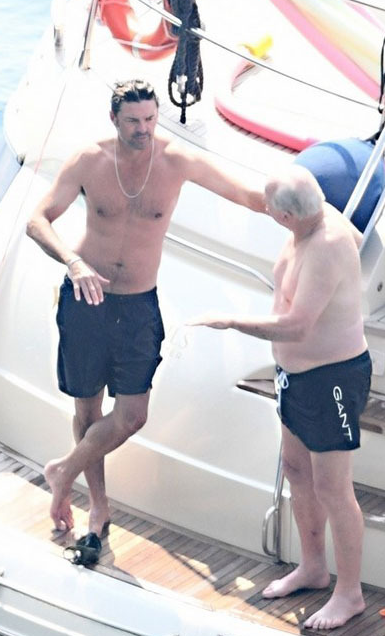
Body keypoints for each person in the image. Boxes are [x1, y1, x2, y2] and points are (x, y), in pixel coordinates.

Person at [26, 79, 265, 544]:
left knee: (132, 415)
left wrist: (316, 214)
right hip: (86, 298)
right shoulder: (89, 161)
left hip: (137, 304)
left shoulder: (177, 161)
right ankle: (98, 506)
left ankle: (62, 471)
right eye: (133, 121)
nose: (144, 129)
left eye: (151, 119)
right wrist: (74, 263)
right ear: (113, 119)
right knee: (87, 408)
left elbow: (249, 198)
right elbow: (38, 220)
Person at [191, 165, 371, 631]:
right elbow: (256, 197)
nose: (263, 209)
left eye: (268, 207)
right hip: (295, 377)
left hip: (332, 379)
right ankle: (313, 567)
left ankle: (349, 594)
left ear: (285, 216)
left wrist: (231, 322)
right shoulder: (311, 220)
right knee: (295, 468)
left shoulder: (326, 246)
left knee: (333, 488)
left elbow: (297, 326)